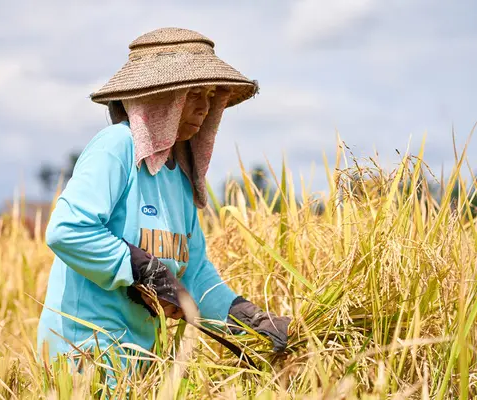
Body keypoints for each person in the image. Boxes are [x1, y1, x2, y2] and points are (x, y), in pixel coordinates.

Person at [36, 27, 290, 374]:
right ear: (160, 98)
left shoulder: (179, 178)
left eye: (211, 94)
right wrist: (140, 267)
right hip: (85, 358)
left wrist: (246, 317)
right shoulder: (116, 147)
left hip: (140, 366)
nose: (205, 105)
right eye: (193, 93)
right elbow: (67, 231)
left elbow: (195, 273)